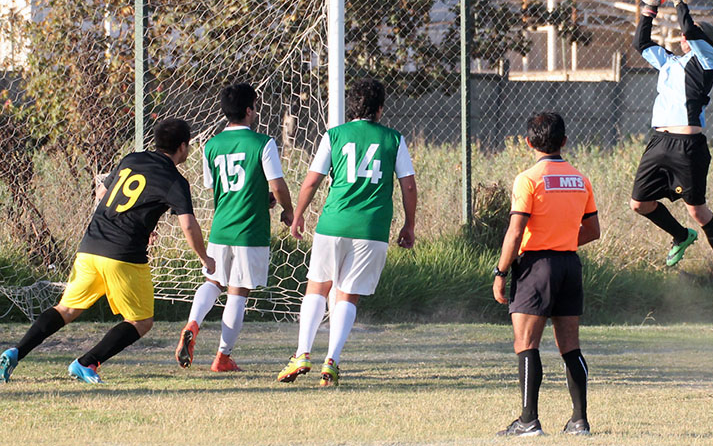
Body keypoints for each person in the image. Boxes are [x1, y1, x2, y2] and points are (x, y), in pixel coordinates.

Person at [0, 118, 214, 384]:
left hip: (90, 247)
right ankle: (86, 362)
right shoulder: (174, 180)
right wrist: (205, 258)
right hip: (123, 256)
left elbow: (102, 192)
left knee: (66, 309)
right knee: (141, 321)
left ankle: (15, 351)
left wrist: (141, 222)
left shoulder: (131, 159)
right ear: (183, 146)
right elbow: (188, 226)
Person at [277, 78, 416, 387]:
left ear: (351, 106)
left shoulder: (334, 135)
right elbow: (407, 184)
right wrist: (409, 224)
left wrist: (297, 215)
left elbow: (312, 181)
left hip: (333, 224)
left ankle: (302, 353)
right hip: (372, 228)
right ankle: (332, 360)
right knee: (347, 295)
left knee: (317, 287)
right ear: (380, 109)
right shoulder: (394, 138)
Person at [630, 0, 713, 301]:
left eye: (690, 35)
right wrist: (649, 5)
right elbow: (641, 42)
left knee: (698, 210)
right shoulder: (669, 62)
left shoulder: (709, 61)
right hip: (659, 142)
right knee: (639, 203)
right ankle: (680, 236)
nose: (683, 36)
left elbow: (690, 28)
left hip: (688, 147)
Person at [493, 112, 601, 437]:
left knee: (526, 343)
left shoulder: (528, 179)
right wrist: (564, 240)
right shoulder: (580, 179)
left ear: (528, 142)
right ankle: (579, 421)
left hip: (536, 267)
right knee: (570, 345)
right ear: (564, 142)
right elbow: (593, 230)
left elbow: (515, 232)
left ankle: (528, 421)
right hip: (570, 265)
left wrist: (500, 271)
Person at [175, 83, 293, 372]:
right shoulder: (263, 143)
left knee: (213, 282)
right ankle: (222, 357)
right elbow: (276, 185)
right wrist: (288, 210)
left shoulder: (211, 146)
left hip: (221, 228)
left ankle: (193, 322)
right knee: (238, 292)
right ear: (249, 110)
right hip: (249, 232)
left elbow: (217, 187)